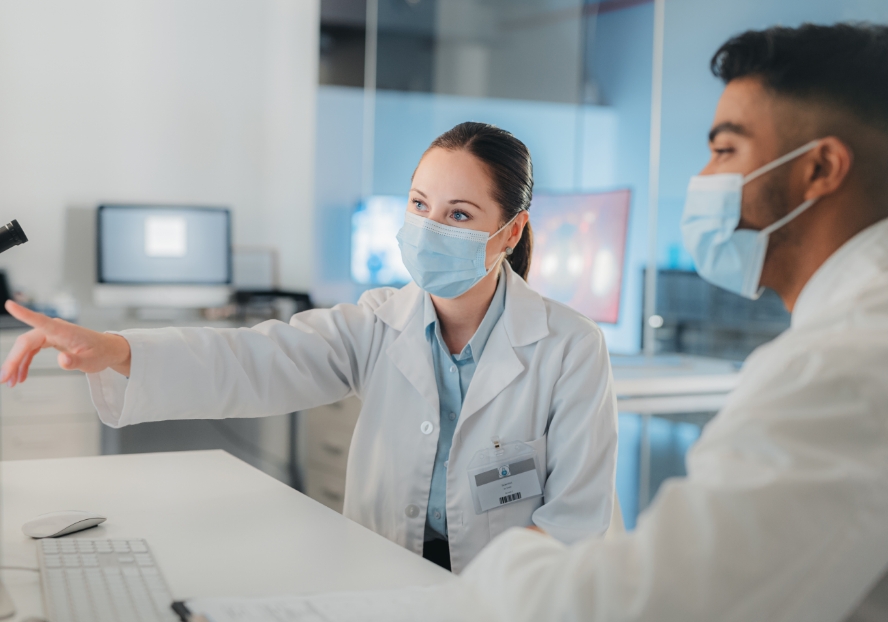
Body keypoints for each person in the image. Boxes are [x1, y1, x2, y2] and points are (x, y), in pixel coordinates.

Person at [0, 122, 619, 574]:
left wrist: (473, 605)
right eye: (419, 205)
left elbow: (573, 521)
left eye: (458, 215)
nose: (429, 228)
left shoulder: (568, 347)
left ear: (509, 231)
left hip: (512, 599)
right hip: (387, 576)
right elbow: (253, 360)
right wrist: (113, 348)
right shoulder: (379, 322)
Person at [449, 22, 888, 622]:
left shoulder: (845, 364)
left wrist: (506, 555)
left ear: (819, 170)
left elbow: (651, 605)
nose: (704, 179)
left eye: (725, 150)